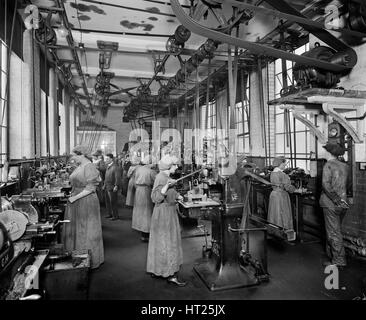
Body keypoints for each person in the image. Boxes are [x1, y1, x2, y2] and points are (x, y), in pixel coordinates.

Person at [146, 155, 186, 287]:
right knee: (169, 242)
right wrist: (166, 186)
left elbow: (170, 192)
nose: (177, 167)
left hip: (165, 212)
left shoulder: (164, 177)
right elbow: (156, 198)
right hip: (164, 214)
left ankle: (159, 269)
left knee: (162, 242)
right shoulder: (161, 178)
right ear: (169, 167)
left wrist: (179, 196)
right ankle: (171, 274)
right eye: (175, 165)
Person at [62, 145, 104, 269]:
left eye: (74, 155)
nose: (72, 158)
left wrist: (74, 198)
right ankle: (78, 257)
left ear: (81, 155)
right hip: (77, 199)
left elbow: (91, 188)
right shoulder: (80, 166)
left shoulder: (89, 166)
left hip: (85, 201)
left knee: (86, 230)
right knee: (78, 230)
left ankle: (89, 260)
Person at [319, 142, 350, 267]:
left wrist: (335, 199)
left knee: (333, 232)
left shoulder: (328, 165)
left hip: (331, 203)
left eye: (325, 150)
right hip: (343, 202)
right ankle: (332, 255)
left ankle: (339, 260)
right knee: (335, 230)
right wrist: (340, 198)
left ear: (329, 152)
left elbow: (326, 185)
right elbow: (348, 185)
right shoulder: (345, 166)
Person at [132, 155, 157, 242]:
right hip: (146, 191)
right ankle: (146, 233)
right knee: (147, 213)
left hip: (138, 190)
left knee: (139, 211)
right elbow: (157, 182)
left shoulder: (138, 169)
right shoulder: (151, 171)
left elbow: (134, 181)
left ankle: (141, 231)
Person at [267, 156, 296, 232]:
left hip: (273, 195)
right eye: (284, 164)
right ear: (281, 164)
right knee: (283, 214)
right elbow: (288, 187)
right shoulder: (282, 174)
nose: (285, 165)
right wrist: (296, 190)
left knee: (274, 214)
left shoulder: (273, 173)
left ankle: (274, 232)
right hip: (281, 196)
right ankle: (284, 232)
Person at [104, 154, 122, 220]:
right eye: (106, 159)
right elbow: (106, 177)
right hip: (107, 186)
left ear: (111, 159)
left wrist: (116, 185)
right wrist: (104, 185)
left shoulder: (115, 167)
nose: (106, 160)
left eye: (107, 159)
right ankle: (109, 214)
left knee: (113, 202)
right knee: (108, 201)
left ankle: (115, 216)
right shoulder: (108, 166)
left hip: (112, 187)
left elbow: (117, 177)